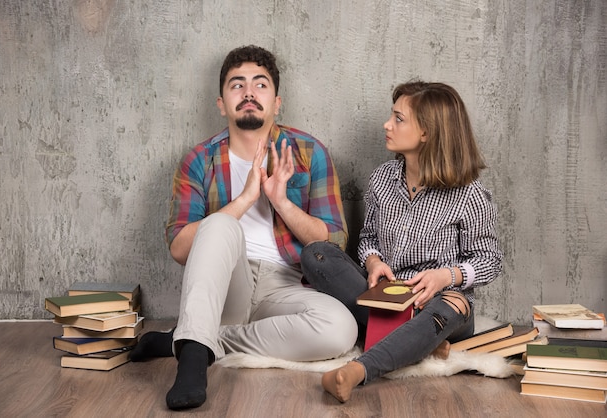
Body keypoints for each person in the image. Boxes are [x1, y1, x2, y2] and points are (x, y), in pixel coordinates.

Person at [129, 45, 358, 410]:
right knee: (220, 225)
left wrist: (280, 201)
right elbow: (179, 248)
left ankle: (191, 340)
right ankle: (191, 365)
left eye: (260, 84)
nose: (249, 93)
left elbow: (335, 242)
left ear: (276, 101)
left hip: (286, 286)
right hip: (225, 290)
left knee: (341, 329)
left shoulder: (308, 152)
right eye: (237, 85)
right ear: (221, 103)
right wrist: (246, 199)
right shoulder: (199, 160)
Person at [300, 81, 503, 403]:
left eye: (398, 119)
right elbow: (367, 238)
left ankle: (357, 371)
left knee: (452, 304)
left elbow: (490, 260)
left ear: (426, 132)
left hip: (441, 302)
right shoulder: (381, 179)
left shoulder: (470, 194)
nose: (387, 125)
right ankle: (418, 342)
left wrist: (445, 277)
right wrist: (373, 262)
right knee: (316, 254)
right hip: (387, 298)